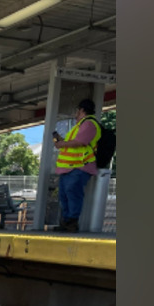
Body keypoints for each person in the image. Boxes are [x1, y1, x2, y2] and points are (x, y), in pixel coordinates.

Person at [52, 99, 101, 233]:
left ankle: (71, 223)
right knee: (65, 195)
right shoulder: (80, 125)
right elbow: (73, 143)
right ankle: (66, 222)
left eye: (77, 111)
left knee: (72, 193)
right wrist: (61, 141)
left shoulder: (89, 124)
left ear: (81, 110)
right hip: (70, 167)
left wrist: (61, 144)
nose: (76, 114)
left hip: (79, 166)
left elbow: (80, 142)